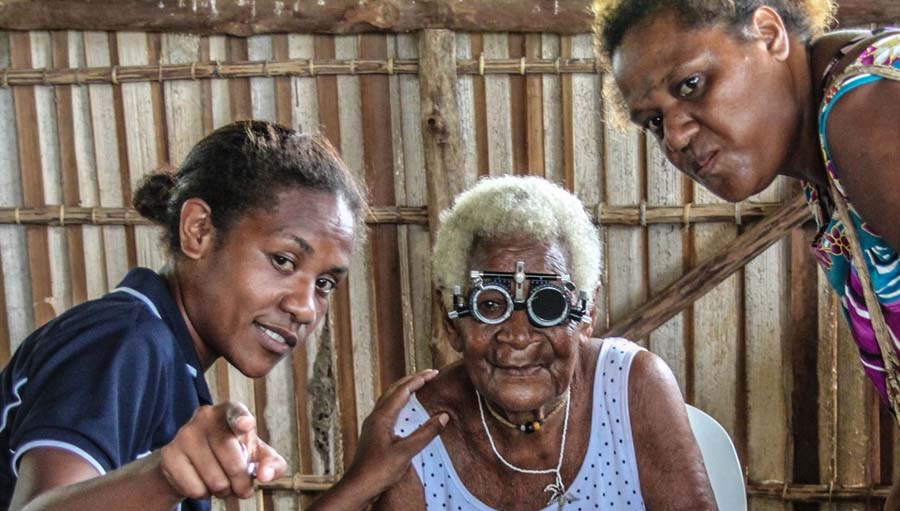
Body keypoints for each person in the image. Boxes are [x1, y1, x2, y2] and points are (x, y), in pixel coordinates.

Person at [0, 121, 448, 511]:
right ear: (199, 230)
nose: (305, 307)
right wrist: (166, 478)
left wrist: (362, 481)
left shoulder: (172, 366)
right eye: (284, 261)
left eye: (325, 283)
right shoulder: (126, 340)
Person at [376, 176, 716, 511]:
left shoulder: (634, 387)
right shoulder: (414, 432)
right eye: (491, 304)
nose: (520, 335)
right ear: (451, 321)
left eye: (549, 305)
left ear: (587, 314)